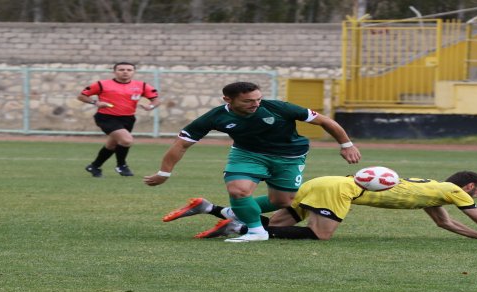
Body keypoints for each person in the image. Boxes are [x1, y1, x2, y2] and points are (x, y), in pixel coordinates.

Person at [144, 81, 361, 243]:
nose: (255, 104)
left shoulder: (278, 107)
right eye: (248, 101)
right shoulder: (215, 117)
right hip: (247, 154)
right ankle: (257, 232)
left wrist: (346, 144)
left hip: (290, 156)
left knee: (282, 201)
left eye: (258, 99)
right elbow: (181, 143)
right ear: (228, 100)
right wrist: (164, 173)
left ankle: (226, 211)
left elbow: (324, 121)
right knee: (239, 190)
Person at [165, 171, 477, 242]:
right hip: (339, 191)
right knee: (320, 236)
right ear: (470, 185)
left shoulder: (437, 191)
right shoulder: (457, 192)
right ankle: (240, 227)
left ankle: (212, 209)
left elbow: (445, 225)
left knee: (279, 221)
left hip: (325, 181)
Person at [78, 62, 160, 177]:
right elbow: (81, 96)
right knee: (126, 140)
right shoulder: (102, 84)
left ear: (133, 72)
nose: (125, 72)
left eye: (129, 70)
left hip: (128, 119)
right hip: (106, 117)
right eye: (121, 70)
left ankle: (94, 166)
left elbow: (156, 100)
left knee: (111, 145)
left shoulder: (142, 86)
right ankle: (121, 166)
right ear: (114, 71)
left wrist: (150, 106)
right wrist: (96, 102)